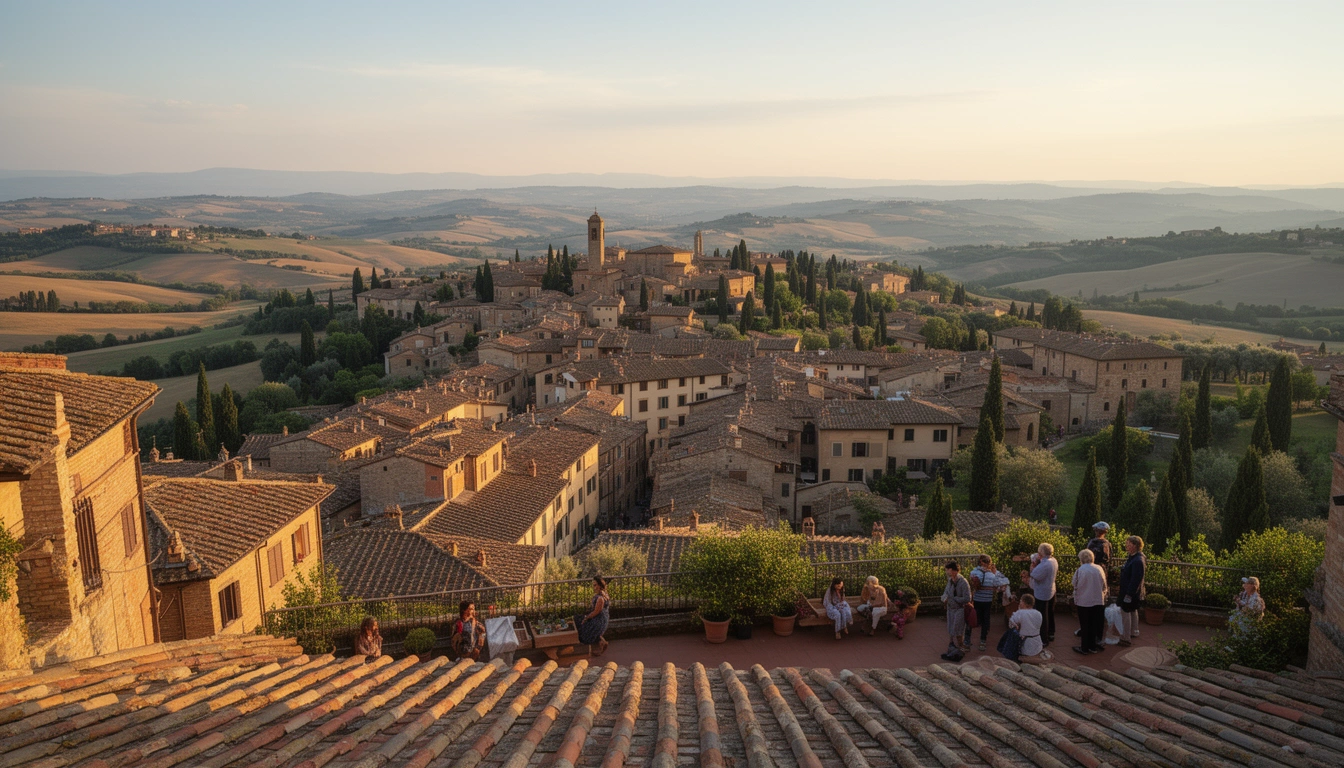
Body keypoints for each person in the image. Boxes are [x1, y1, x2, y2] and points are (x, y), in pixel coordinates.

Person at [965, 555, 1011, 652]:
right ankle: (982, 641)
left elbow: (972, 581)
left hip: (977, 599)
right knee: (986, 621)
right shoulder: (992, 575)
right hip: (987, 600)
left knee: (972, 618)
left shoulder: (974, 572)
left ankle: (967, 640)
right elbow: (1002, 583)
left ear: (980, 562)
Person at [1072, 549, 1108, 655]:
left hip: (1084, 601)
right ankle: (1092, 646)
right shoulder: (1099, 568)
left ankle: (1084, 648)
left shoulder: (1080, 570)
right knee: (1093, 624)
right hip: (1097, 600)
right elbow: (1104, 585)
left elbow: (1074, 583)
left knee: (1084, 625)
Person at [1022, 543, 1058, 644]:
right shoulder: (1053, 560)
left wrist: (1032, 567)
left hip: (1043, 592)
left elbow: (1034, 575)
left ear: (1041, 552)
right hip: (1051, 590)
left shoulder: (1045, 564)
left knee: (1042, 615)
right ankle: (1051, 632)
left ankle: (1044, 638)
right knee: (1050, 612)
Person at [1117, 535, 1146, 646]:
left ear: (1135, 546)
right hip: (1132, 592)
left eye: (1129, 544)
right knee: (1133, 610)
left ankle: (1125, 638)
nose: (1126, 546)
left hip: (1130, 592)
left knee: (1126, 612)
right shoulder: (1134, 557)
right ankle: (1134, 631)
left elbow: (1136, 580)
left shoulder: (1138, 560)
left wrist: (1128, 595)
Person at [941, 561, 971, 661]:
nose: (947, 571)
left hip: (959, 608)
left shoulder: (963, 582)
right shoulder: (950, 580)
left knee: (958, 628)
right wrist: (944, 598)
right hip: (950, 608)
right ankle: (953, 646)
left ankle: (961, 646)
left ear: (954, 570)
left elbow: (967, 598)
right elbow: (945, 592)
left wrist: (954, 598)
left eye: (948, 569)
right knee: (951, 627)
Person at [575, 575, 611, 654]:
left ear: (599, 585)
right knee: (580, 620)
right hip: (601, 617)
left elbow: (596, 612)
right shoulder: (604, 594)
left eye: (595, 585)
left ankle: (601, 644)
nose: (594, 587)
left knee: (583, 625)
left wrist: (586, 618)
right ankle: (602, 644)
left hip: (599, 619)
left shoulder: (600, 598)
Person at [1008, 593, 1044, 659]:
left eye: (1021, 601)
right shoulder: (1038, 613)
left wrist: (1019, 610)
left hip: (1025, 646)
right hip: (1038, 645)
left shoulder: (1020, 613)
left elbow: (1011, 625)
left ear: (1024, 602)